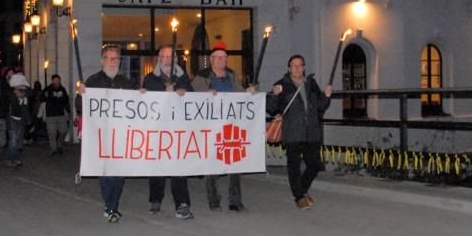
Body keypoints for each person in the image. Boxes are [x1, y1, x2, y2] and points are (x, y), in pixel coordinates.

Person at [191, 43, 256, 212]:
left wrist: (248, 92)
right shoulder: (202, 76)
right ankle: (213, 200)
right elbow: (191, 97)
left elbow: (240, 94)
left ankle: (235, 201)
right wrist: (205, 93)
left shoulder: (231, 76)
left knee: (235, 164)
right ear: (211, 60)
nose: (222, 60)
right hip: (210, 127)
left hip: (230, 127)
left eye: (224, 58)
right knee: (212, 165)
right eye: (218, 57)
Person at [269, 54, 332, 209]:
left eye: (300, 65)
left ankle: (301, 191)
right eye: (294, 65)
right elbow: (271, 108)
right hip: (292, 131)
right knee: (294, 166)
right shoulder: (282, 85)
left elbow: (320, 106)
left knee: (315, 164)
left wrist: (327, 96)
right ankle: (299, 197)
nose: (297, 68)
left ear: (304, 67)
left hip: (311, 131)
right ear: (288, 68)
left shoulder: (310, 83)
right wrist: (275, 95)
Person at [81, 45, 135, 223]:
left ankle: (111, 206)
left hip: (120, 135)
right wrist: (81, 95)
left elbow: (137, 107)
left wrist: (142, 95)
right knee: (105, 173)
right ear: (102, 61)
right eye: (109, 58)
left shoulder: (126, 83)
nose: (113, 62)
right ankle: (111, 206)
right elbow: (79, 107)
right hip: (101, 135)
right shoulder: (93, 81)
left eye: (116, 59)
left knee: (119, 173)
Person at [141, 45, 194, 219]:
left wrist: (183, 93)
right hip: (158, 130)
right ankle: (155, 199)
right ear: (159, 59)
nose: (166, 59)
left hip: (178, 131)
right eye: (163, 56)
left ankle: (182, 203)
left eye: (170, 56)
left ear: (176, 60)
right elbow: (147, 101)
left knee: (179, 169)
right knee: (157, 167)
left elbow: (193, 101)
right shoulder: (150, 79)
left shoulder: (184, 79)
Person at [42, 74, 71, 155]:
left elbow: (66, 101)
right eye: (55, 81)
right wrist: (46, 95)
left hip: (61, 114)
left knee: (64, 130)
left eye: (58, 81)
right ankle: (54, 149)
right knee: (52, 133)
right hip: (50, 115)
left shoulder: (63, 89)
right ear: (52, 81)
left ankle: (59, 143)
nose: (57, 82)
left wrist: (68, 112)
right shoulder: (48, 89)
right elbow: (42, 98)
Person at [6, 73, 31, 167]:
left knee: (16, 140)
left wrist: (22, 98)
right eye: (17, 89)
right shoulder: (11, 95)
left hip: (20, 120)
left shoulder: (24, 96)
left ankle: (14, 158)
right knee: (13, 139)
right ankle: (10, 159)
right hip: (12, 119)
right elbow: (13, 108)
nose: (18, 91)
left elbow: (25, 109)